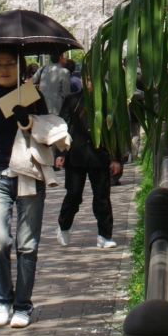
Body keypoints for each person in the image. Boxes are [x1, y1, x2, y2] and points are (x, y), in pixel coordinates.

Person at [0, 48, 50, 328]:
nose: (4, 68)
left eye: (10, 63)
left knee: (27, 246)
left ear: (20, 67)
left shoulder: (33, 97)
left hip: (29, 176)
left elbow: (49, 134)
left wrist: (27, 119)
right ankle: (2, 299)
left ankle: (22, 305)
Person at [55, 82, 121, 249]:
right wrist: (60, 153)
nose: (91, 82)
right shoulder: (72, 100)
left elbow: (115, 130)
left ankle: (105, 235)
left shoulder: (107, 101)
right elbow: (62, 127)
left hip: (100, 155)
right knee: (74, 194)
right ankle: (64, 225)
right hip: (75, 155)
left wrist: (115, 158)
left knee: (102, 197)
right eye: (88, 77)